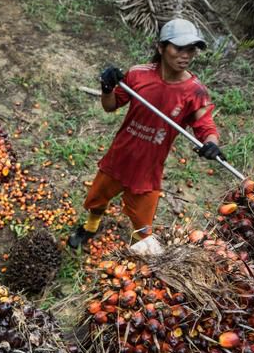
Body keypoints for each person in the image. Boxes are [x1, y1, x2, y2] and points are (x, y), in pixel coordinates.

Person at [68, 18, 223, 249]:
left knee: (142, 222)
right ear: (161, 47)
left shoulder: (195, 92)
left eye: (191, 49)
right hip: (120, 155)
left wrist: (211, 144)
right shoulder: (138, 75)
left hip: (148, 167)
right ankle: (91, 227)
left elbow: (206, 126)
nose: (186, 55)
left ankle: (142, 253)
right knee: (97, 198)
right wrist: (107, 87)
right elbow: (110, 106)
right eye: (179, 48)